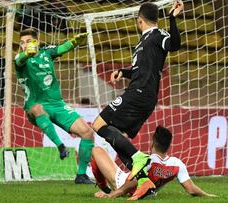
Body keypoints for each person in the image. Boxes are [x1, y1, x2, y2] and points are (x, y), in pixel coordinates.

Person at [91, 0, 184, 195]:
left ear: (139, 20)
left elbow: (175, 44)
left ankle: (138, 158)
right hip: (144, 95)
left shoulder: (158, 35)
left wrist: (172, 19)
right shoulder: (144, 42)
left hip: (139, 93)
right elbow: (140, 71)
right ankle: (143, 182)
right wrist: (123, 72)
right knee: (120, 137)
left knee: (98, 124)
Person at [14, 28, 94, 184]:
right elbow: (19, 60)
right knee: (38, 109)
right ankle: (60, 146)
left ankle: (81, 175)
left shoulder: (46, 53)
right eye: (22, 43)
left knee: (87, 133)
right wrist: (26, 53)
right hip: (34, 106)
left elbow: (61, 48)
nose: (25, 45)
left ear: (36, 42)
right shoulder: (21, 59)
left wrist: (73, 43)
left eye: (29, 41)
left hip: (57, 104)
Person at [91, 126, 217, 200]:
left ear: (152, 144)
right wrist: (209, 195)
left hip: (120, 182)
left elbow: (133, 181)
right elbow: (191, 189)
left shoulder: (148, 161)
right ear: (168, 146)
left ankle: (104, 187)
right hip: (149, 194)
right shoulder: (177, 164)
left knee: (96, 150)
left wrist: (112, 194)